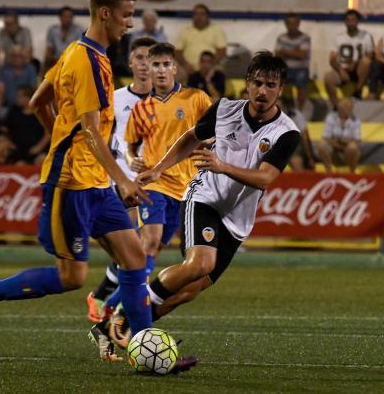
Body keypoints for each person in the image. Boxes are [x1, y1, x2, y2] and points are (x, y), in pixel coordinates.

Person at [0, 0, 153, 358]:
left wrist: (64, 138)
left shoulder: (77, 51)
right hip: (72, 184)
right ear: (106, 13)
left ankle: (142, 346)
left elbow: (37, 101)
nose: (129, 24)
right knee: (71, 277)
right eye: (126, 16)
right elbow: (92, 131)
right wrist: (122, 178)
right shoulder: (88, 61)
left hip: (93, 181)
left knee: (133, 257)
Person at [124, 51, 301, 324]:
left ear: (281, 89)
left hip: (237, 219)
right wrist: (158, 169)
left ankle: (126, 327)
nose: (262, 91)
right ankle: (125, 318)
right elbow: (191, 137)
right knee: (200, 264)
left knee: (188, 292)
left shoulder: (286, 133)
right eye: (257, 83)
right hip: (204, 198)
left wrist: (223, 166)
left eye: (270, 85)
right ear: (247, 83)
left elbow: (265, 178)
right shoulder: (224, 109)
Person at [89, 42, 212, 329]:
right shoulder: (142, 108)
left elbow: (214, 130)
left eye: (165, 64)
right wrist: (132, 159)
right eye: (155, 65)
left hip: (187, 187)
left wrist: (211, 143)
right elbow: (132, 144)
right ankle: (118, 309)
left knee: (152, 253)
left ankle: (111, 304)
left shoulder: (196, 99)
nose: (159, 70)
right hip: (155, 183)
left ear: (174, 68)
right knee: (150, 241)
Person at [86, 36, 156, 322]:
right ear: (130, 63)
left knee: (138, 251)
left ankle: (106, 299)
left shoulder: (167, 102)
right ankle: (112, 303)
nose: (145, 65)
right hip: (121, 181)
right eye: (139, 58)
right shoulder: (115, 99)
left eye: (150, 59)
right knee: (136, 249)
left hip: (155, 184)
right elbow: (99, 137)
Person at [323, 9, 374, 108]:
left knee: (366, 62)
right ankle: (336, 106)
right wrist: (341, 71)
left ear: (357, 22)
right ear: (345, 22)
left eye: (353, 20)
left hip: (359, 70)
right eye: (348, 20)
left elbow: (370, 55)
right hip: (343, 69)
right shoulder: (339, 38)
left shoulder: (366, 36)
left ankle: (358, 92)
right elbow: (332, 59)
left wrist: (355, 63)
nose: (351, 23)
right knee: (328, 78)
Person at [1, 85, 50, 164]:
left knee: (42, 160)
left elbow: (48, 132)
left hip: (36, 150)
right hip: (17, 150)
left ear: (28, 98)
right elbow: (4, 129)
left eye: (19, 96)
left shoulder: (40, 112)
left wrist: (39, 147)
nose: (17, 98)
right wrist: (8, 142)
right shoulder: (14, 111)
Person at [175, 4, 226, 77]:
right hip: (188, 67)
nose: (199, 17)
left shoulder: (216, 30)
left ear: (207, 16)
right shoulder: (185, 31)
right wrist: (185, 65)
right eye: (196, 14)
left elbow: (222, 51)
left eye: (202, 14)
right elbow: (177, 52)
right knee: (176, 73)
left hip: (211, 66)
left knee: (218, 73)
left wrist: (210, 65)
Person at [0, 45, 38, 126]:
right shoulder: (4, 69)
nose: (16, 58)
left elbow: (32, 90)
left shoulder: (31, 69)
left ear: (24, 57)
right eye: (13, 55)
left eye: (19, 55)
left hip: (25, 105)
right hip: (8, 105)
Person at [275, 12, 311, 110]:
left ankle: (299, 111)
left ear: (298, 24)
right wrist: (296, 51)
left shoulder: (305, 38)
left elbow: (302, 55)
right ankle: (277, 108)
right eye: (289, 23)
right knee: (274, 79)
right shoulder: (281, 37)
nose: (292, 26)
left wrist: (285, 52)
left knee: (301, 78)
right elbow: (277, 54)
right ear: (286, 24)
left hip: (300, 69)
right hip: (284, 69)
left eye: (294, 23)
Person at [316, 97, 361, 173]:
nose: (350, 109)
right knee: (321, 145)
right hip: (334, 147)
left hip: (346, 148)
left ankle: (352, 172)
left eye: (351, 107)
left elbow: (357, 139)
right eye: (347, 107)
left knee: (353, 147)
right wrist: (338, 143)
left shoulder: (355, 120)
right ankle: (329, 172)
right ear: (341, 109)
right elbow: (326, 137)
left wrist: (341, 142)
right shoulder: (331, 117)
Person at [279, 95, 316, 171]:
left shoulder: (296, 115)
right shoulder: (268, 115)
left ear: (286, 107)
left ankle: (303, 181)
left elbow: (304, 136)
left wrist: (309, 157)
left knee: (296, 161)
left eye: (280, 107)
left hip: (292, 146)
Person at [44, 6, 84, 71]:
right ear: (60, 18)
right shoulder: (53, 30)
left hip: (72, 62)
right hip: (56, 62)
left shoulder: (78, 31)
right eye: (65, 17)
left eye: (70, 17)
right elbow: (49, 50)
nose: (68, 19)